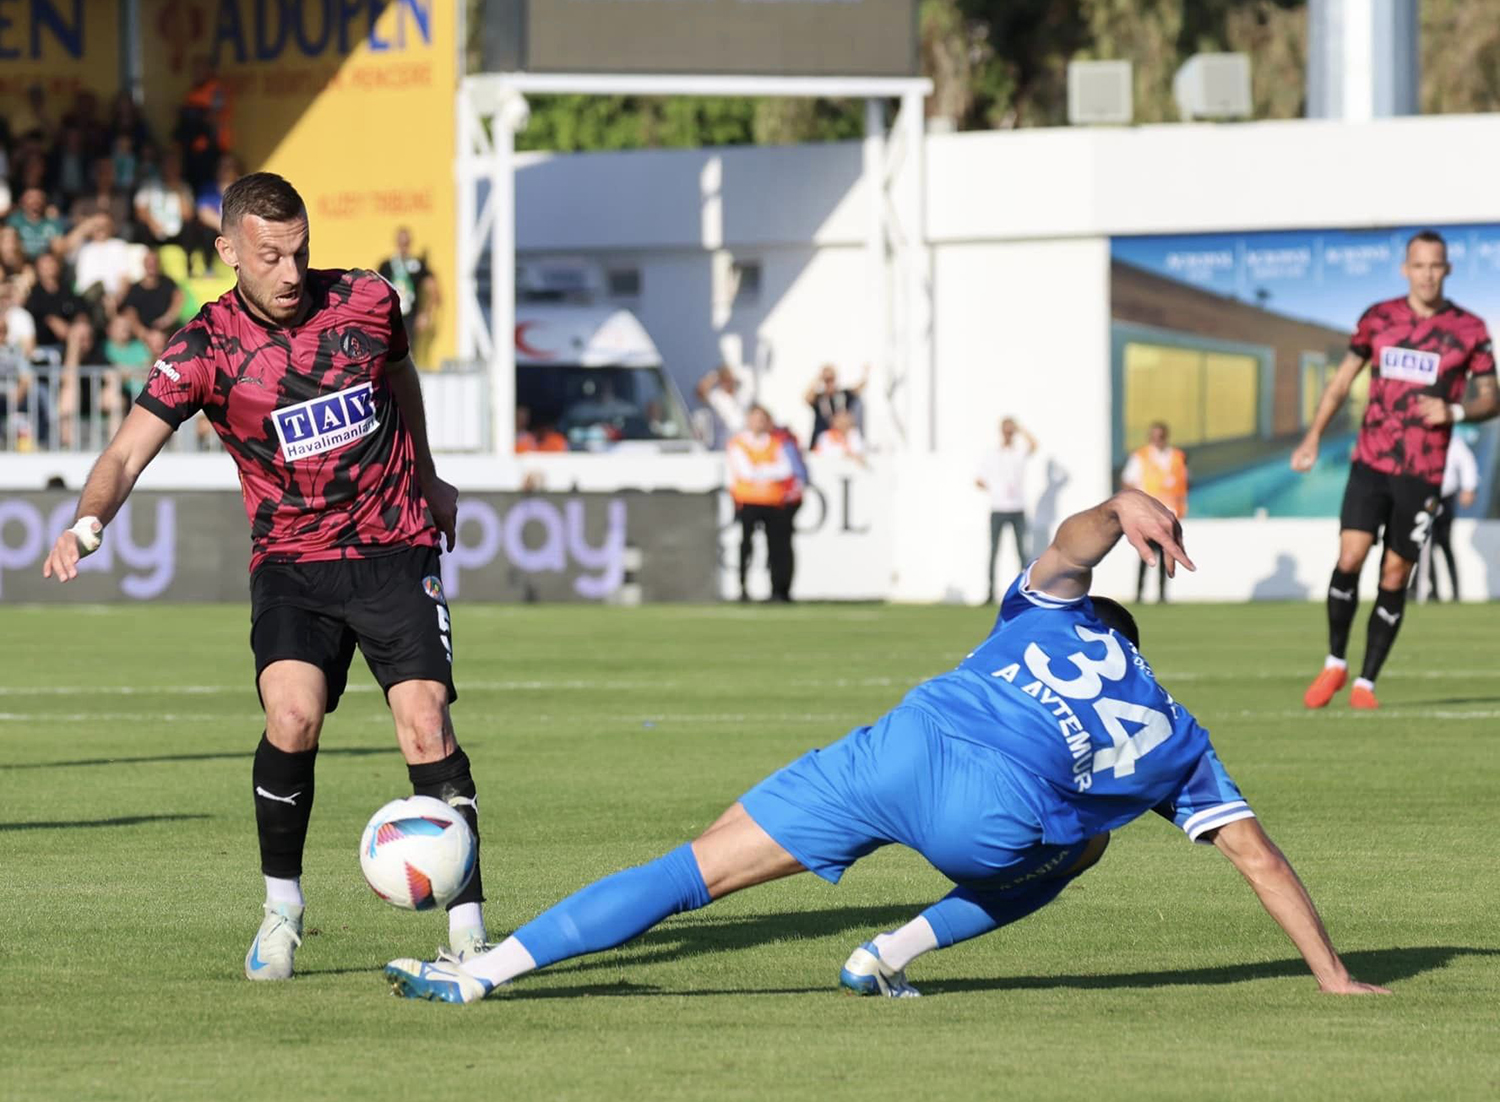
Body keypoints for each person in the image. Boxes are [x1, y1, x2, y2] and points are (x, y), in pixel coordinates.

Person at [383, 490, 1388, 1003]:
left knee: (693, 869)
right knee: (1086, 843)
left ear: (1096, 622)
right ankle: (888, 953)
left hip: (905, 745)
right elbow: (1256, 855)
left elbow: (1076, 542)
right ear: (1138, 647)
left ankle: (479, 972)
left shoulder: (1050, 617)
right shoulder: (1181, 738)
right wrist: (1332, 974)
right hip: (989, 825)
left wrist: (1122, 502)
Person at [41, 172, 494, 980]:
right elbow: (123, 454)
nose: (291, 273)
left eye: (301, 252)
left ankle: (469, 932)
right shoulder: (202, 348)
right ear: (228, 253)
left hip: (393, 547)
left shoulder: (367, 300)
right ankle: (281, 912)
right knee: (292, 717)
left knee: (425, 724)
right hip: (292, 563)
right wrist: (86, 523)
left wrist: (425, 473)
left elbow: (399, 378)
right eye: (271, 256)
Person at [1293, 230, 1498, 710]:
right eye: (1419, 265)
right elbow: (1342, 380)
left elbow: (1492, 396)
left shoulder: (1469, 329)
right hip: (1371, 461)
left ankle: (1366, 683)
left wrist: (1456, 412)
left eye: (1435, 266)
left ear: (1446, 270)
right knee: (1350, 557)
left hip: (1423, 473)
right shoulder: (1378, 319)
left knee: (1395, 571)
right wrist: (1313, 435)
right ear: (1406, 269)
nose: (1427, 274)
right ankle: (1335, 663)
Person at [728, 405, 801, 602]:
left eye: (762, 419)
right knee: (746, 546)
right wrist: (769, 471)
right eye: (755, 418)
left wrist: (760, 471)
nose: (759, 423)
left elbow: (786, 469)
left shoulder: (775, 442)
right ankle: (742, 588)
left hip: (773, 502)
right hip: (748, 501)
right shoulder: (739, 443)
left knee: (777, 547)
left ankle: (778, 591)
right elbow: (746, 472)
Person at [1121, 421, 1188, 603]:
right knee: (1146, 554)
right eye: (1154, 436)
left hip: (1169, 514)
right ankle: (1139, 594)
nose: (1157, 440)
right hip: (1147, 514)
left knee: (1167, 553)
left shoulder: (1176, 456)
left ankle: (1162, 595)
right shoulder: (1140, 457)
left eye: (1160, 436)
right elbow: (1128, 481)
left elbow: (1183, 482)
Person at [976, 416, 1038, 603]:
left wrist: (1021, 429)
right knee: (994, 551)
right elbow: (979, 480)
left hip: (1017, 508)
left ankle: (1025, 591)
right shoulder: (992, 454)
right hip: (998, 508)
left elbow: (1034, 445)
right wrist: (995, 489)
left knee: (1022, 551)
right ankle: (990, 592)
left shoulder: (1018, 452)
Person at [1422, 430, 1479, 602]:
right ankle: (1433, 591)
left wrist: (1469, 488)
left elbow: (1467, 463)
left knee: (1445, 543)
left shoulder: (1453, 441)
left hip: (1445, 497)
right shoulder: (1419, 438)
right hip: (1424, 497)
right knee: (1426, 545)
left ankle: (1455, 591)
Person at [120, 249, 185, 343]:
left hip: (167, 333)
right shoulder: (135, 289)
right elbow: (130, 313)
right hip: (143, 337)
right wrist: (144, 334)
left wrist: (167, 319)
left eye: (154, 262)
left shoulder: (167, 283)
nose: (151, 265)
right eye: (148, 262)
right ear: (143, 264)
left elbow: (179, 297)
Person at [805, 363, 866, 450]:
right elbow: (807, 398)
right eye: (827, 380)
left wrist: (865, 374)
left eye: (832, 379)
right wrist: (818, 379)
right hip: (822, 443)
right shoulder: (819, 398)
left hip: (840, 441)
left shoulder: (843, 395)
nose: (830, 383)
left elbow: (858, 389)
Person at [696, 363, 752, 446]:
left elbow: (748, 374)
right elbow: (700, 392)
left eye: (729, 379)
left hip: (746, 438)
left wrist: (732, 371)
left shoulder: (743, 392)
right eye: (724, 380)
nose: (727, 383)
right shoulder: (716, 396)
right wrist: (714, 376)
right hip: (726, 441)